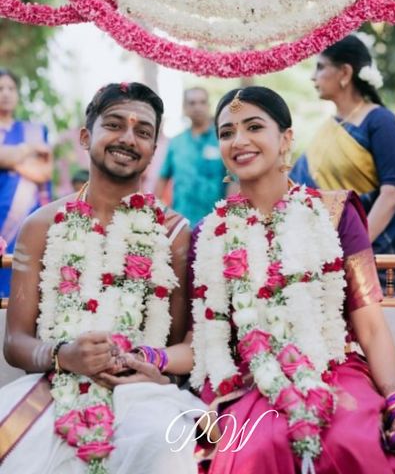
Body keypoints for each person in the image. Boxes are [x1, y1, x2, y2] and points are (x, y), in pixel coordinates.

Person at [189, 86, 395, 474]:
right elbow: (205, 338)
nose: (239, 140)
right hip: (248, 380)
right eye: (227, 132)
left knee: (351, 439)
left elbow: (370, 324)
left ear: (286, 139)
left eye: (253, 126)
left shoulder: (334, 213)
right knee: (259, 448)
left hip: (333, 366)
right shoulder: (209, 232)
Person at [0, 83, 201, 473]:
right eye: (114, 125)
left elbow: (178, 344)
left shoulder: (174, 232)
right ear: (85, 135)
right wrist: (63, 356)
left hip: (142, 392)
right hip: (53, 387)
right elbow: (15, 342)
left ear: (154, 148)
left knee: (167, 449)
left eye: (143, 131)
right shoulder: (41, 225)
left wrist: (147, 365)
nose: (128, 138)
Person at [290, 35, 395, 295]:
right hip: (327, 251)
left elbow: (392, 193)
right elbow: (298, 185)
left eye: (321, 67)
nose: (313, 77)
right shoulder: (329, 127)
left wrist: (353, 248)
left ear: (345, 72)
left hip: (373, 251)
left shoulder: (380, 121)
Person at [0, 68, 52, 297]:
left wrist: (9, 158)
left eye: (11, 88)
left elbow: (43, 172)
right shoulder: (33, 140)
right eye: (0, 89)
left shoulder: (34, 130)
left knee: (23, 283)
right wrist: (29, 150)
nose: (6, 94)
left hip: (26, 216)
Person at [155, 87, 227, 227]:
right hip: (181, 224)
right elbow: (163, 177)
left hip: (215, 224)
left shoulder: (222, 140)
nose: (197, 107)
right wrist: (153, 212)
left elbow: (233, 180)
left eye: (202, 102)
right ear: (185, 107)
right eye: (192, 103)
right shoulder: (176, 142)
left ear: (209, 106)